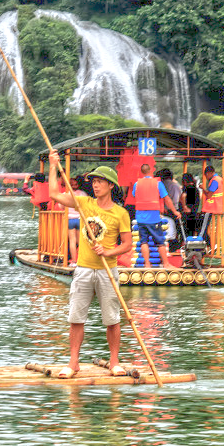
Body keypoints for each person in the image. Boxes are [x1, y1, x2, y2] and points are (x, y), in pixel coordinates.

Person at [47, 152, 133, 378]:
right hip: (84, 268)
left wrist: (108, 251)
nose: (95, 185)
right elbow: (54, 193)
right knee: (76, 317)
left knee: (112, 319)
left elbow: (127, 244)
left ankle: (114, 362)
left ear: (110, 185)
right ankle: (73, 362)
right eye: (93, 182)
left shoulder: (120, 213)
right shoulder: (84, 202)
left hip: (107, 270)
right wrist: (53, 166)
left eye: (100, 181)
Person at [132, 162, 179, 268]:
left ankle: (147, 264)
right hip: (154, 218)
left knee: (143, 242)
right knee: (160, 242)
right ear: (151, 171)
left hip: (141, 218)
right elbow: (166, 199)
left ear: (141, 172)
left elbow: (134, 195)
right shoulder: (158, 184)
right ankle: (166, 264)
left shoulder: (137, 184)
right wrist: (175, 211)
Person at [180, 172, 201, 238]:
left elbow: (183, 196)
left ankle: (184, 244)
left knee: (186, 233)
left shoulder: (188, 188)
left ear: (185, 181)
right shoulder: (195, 189)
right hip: (194, 212)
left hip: (188, 214)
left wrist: (184, 207)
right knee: (191, 233)